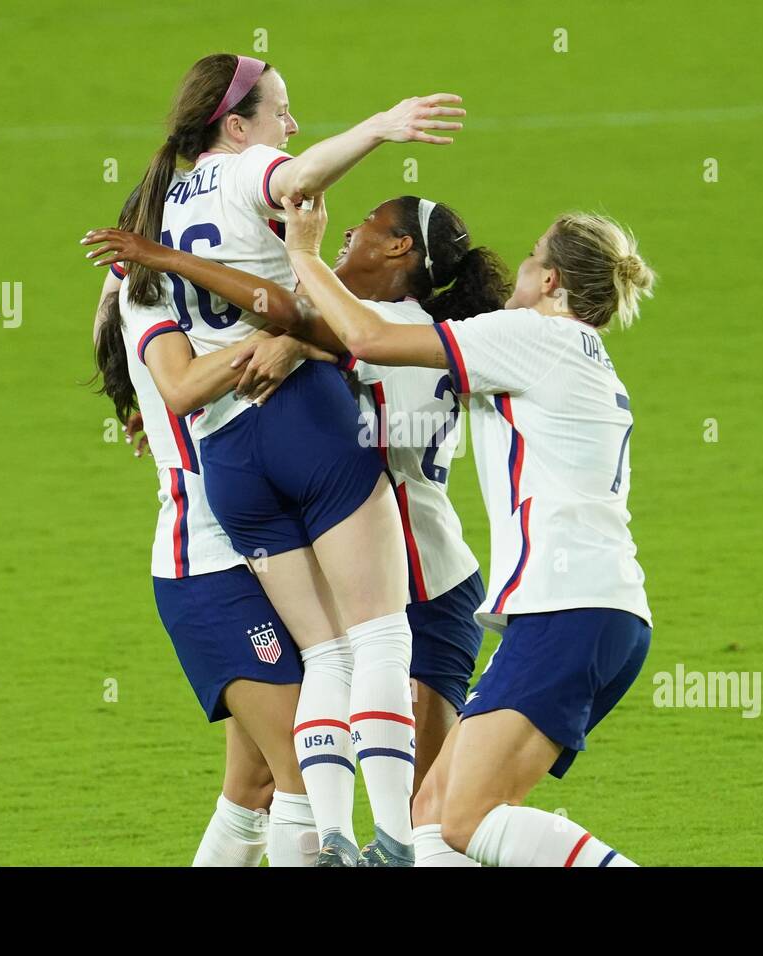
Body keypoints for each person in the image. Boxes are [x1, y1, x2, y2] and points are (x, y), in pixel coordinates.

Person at [95, 52, 466, 865]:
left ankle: (337, 834)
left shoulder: (147, 265)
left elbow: (182, 384)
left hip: (231, 472)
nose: (290, 125)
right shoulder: (241, 182)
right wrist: (381, 126)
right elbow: (299, 183)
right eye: (280, 111)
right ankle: (390, 839)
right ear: (236, 124)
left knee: (263, 771)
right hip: (252, 493)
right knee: (371, 645)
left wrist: (249, 317)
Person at [264, 192, 657, 867]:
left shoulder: (536, 336)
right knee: (429, 819)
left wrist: (301, 251)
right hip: (593, 612)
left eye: (532, 259)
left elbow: (368, 338)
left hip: (567, 608)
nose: (520, 270)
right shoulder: (580, 354)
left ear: (551, 282)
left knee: (464, 819)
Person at [90, 249, 331, 865]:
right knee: (303, 768)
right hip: (209, 566)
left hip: (261, 556)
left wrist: (296, 338)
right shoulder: (149, 291)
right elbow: (176, 385)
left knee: (253, 788)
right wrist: (291, 333)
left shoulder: (207, 289)